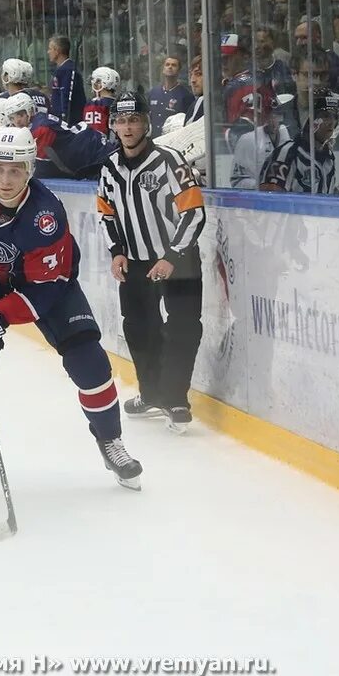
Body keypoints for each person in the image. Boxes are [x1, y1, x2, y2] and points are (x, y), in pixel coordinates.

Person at [0, 126, 143, 505]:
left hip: (47, 286)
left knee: (89, 361)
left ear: (30, 171)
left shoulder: (46, 216)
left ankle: (110, 441)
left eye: (16, 170)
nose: (6, 180)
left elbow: (44, 288)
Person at [97, 92, 205, 431]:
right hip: (135, 263)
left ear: (146, 123)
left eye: (134, 120)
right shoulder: (110, 167)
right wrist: (116, 250)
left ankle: (175, 398)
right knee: (139, 328)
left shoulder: (170, 160)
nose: (127, 128)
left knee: (183, 328)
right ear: (113, 126)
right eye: (121, 121)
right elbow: (106, 213)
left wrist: (172, 256)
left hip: (179, 260)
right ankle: (151, 392)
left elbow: (194, 212)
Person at [6, 92, 114, 180]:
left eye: (20, 114)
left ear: (30, 110)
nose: (17, 121)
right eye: (12, 118)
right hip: (89, 149)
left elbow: (41, 170)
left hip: (93, 150)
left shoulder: (41, 128)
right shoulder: (38, 122)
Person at [260, 92, 339, 194]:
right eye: (325, 116)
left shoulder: (328, 158)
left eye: (334, 117)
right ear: (308, 121)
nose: (331, 122)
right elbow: (270, 198)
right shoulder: (286, 154)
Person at [229, 93, 292, 189]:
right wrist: (259, 186)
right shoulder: (247, 140)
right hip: (257, 200)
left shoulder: (290, 142)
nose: (273, 119)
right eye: (269, 115)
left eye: (276, 115)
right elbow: (236, 180)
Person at [147, 55, 195, 136]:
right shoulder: (153, 92)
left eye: (174, 65)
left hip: (173, 140)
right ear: (163, 69)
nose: (170, 67)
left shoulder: (186, 95)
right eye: (167, 64)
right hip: (153, 141)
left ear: (179, 70)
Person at [47, 35, 86, 123]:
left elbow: (66, 95)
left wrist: (64, 118)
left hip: (67, 121)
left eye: (50, 49)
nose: (48, 52)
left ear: (57, 51)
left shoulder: (67, 70)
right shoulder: (62, 69)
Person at [82, 66, 120, 138]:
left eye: (97, 81)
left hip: (97, 144)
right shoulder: (118, 103)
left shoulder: (93, 104)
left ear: (102, 83)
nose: (94, 84)